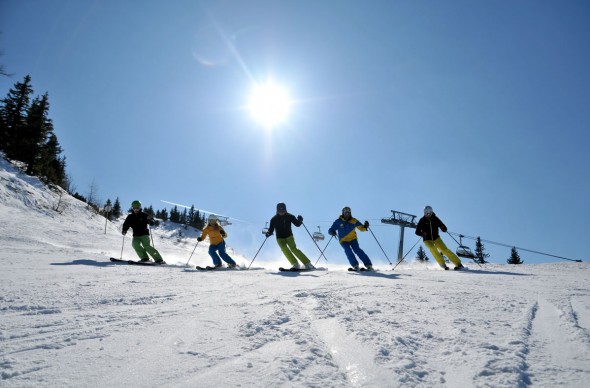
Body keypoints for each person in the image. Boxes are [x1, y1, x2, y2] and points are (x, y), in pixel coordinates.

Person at [265, 202, 314, 270]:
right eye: (280, 211)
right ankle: (295, 264)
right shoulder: (273, 219)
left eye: (283, 211)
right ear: (277, 210)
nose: (282, 212)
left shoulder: (289, 216)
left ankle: (308, 263)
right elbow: (271, 230)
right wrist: (268, 233)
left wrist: (300, 220)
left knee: (294, 249)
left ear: (285, 210)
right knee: (284, 249)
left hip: (289, 236)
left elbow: (297, 224)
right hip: (280, 238)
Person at [415, 205, 464, 270]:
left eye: (429, 213)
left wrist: (443, 228)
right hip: (427, 239)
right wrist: (422, 234)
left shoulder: (435, 219)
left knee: (444, 250)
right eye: (426, 213)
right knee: (433, 248)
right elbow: (417, 232)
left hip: (436, 238)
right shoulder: (422, 220)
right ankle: (442, 264)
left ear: (432, 212)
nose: (428, 214)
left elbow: (442, 226)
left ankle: (458, 264)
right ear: (424, 213)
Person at [328, 206, 373, 271]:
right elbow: (330, 229)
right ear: (343, 213)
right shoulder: (338, 221)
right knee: (348, 250)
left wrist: (365, 226)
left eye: (348, 213)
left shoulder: (354, 221)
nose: (347, 215)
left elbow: (362, 228)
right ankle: (355, 265)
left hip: (353, 239)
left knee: (357, 250)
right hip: (343, 240)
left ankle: (368, 265)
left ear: (350, 213)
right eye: (345, 213)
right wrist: (332, 232)